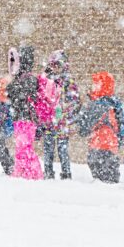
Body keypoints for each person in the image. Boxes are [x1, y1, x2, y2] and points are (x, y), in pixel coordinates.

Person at [39, 50, 81, 180]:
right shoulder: (46, 80)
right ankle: (48, 172)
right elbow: (41, 99)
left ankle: (66, 173)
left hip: (62, 122)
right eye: (53, 65)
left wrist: (67, 115)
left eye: (58, 65)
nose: (55, 68)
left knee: (63, 150)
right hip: (49, 121)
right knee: (48, 149)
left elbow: (75, 101)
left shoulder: (68, 81)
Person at [77, 71, 123, 183]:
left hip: (98, 146)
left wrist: (81, 114)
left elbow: (84, 127)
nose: (93, 86)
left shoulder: (97, 105)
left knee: (100, 180)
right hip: (112, 146)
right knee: (111, 177)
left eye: (96, 84)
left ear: (102, 86)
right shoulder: (114, 103)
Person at [6, 46, 43, 180]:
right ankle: (22, 170)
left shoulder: (29, 79)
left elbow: (19, 95)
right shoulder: (22, 78)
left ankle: (33, 173)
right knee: (21, 147)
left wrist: (12, 84)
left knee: (25, 147)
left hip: (27, 118)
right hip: (20, 118)